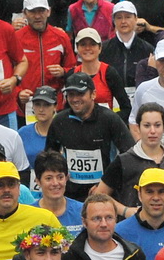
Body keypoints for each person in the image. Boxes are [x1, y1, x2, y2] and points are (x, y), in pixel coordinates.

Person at [47, 71, 137, 200]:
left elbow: (130, 154)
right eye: (71, 94)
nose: (75, 99)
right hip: (70, 194)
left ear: (93, 94)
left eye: (80, 94)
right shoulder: (60, 121)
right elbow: (50, 156)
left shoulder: (109, 119)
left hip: (104, 194)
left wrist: (107, 184)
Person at [37, 150, 89, 240]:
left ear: (67, 178)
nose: (55, 183)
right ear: (38, 181)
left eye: (60, 177)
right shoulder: (29, 213)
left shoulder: (83, 211)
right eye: (49, 178)